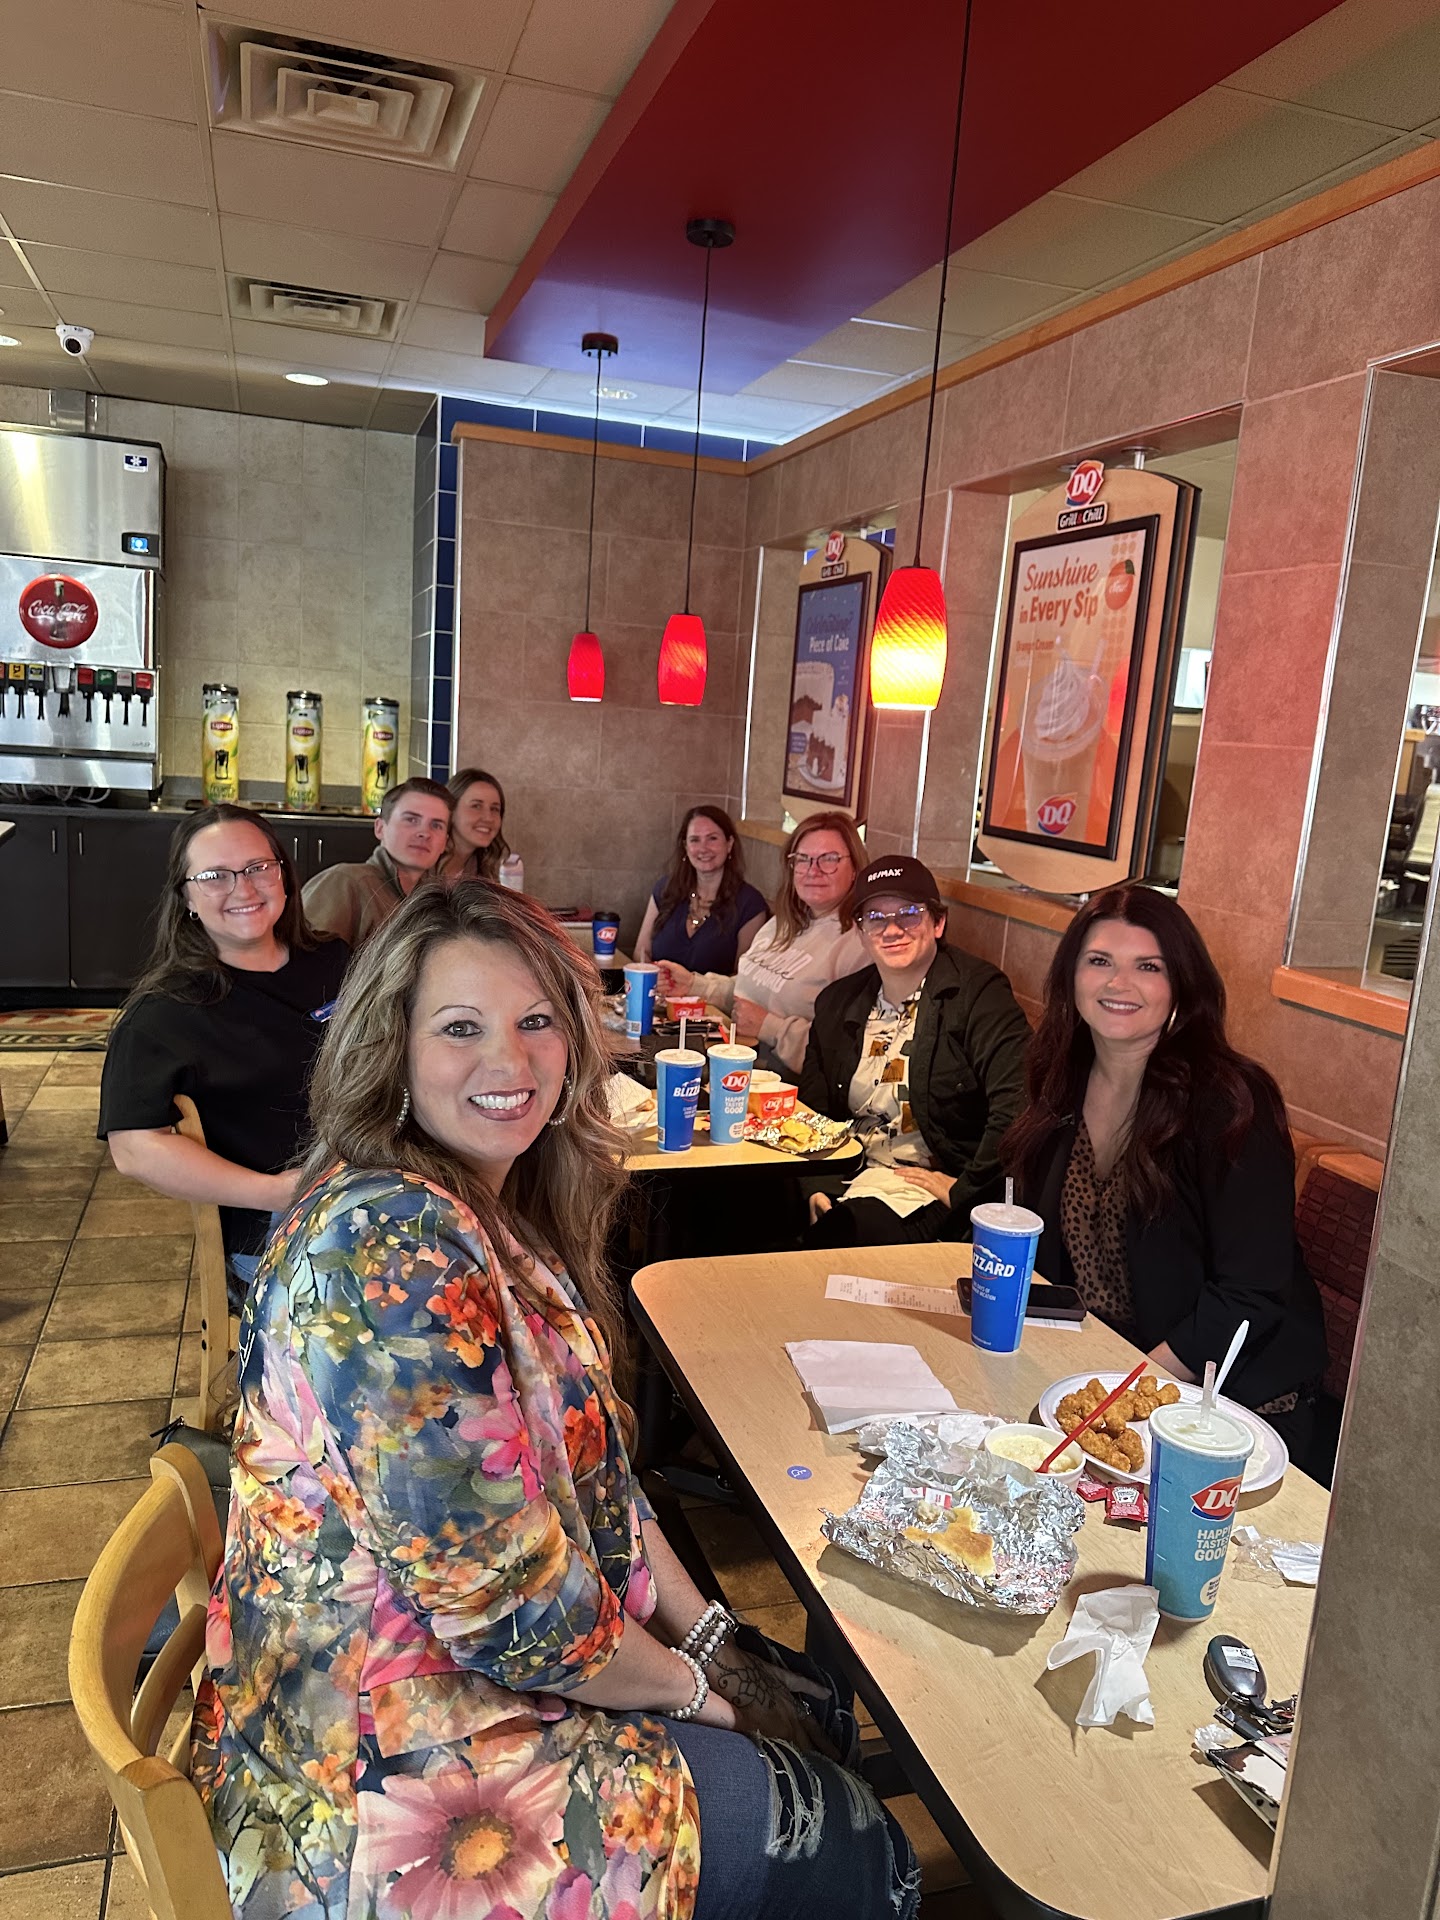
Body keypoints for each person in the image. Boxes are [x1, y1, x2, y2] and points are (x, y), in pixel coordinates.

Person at [193, 880, 919, 1920]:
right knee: (849, 1838)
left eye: (537, 1021)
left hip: (477, 1670)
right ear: (390, 1047)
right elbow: (509, 1611)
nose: (511, 1062)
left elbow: (603, 1480)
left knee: (818, 1715)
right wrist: (705, 1697)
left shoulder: (479, 1205)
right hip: (374, 1772)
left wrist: (716, 1639)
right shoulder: (386, 1251)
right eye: (461, 1028)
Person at [1004, 882, 1327, 1453]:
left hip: (1229, 1405)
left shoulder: (1230, 1101)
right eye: (1099, 961)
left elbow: (1251, 1292)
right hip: (1103, 1369)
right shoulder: (1061, 1075)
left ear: (1181, 983)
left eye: (1147, 967)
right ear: (1071, 975)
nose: (1118, 983)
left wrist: (1125, 1398)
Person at [98, 804, 348, 1292]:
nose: (244, 889)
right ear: (186, 897)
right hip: (277, 1227)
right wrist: (274, 1191)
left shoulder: (335, 960)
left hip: (370, 1183)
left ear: (284, 876)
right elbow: (134, 1148)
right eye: (215, 876)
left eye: (258, 867)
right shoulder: (165, 1013)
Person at [800, 855, 1030, 1246]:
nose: (891, 929)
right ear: (860, 931)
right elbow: (813, 1110)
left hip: (923, 1192)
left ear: (938, 923)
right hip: (849, 1175)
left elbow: (1018, 1104)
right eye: (875, 917)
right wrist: (815, 1186)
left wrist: (967, 1191)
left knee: (841, 1235)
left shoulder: (979, 995)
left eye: (908, 914)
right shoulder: (837, 1002)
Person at [656, 811, 867, 1074]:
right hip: (735, 1064)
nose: (813, 871)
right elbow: (750, 990)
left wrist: (770, 1028)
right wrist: (693, 985)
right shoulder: (783, 922)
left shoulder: (860, 944)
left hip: (786, 1085)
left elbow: (847, 1053)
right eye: (802, 859)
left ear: (855, 868)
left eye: (829, 859)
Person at [302, 776, 453, 946]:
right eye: (411, 820)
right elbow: (307, 956)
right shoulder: (346, 882)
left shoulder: (437, 899)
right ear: (380, 828)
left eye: (436, 825)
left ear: (445, 843)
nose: (424, 833)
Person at [635, 804, 767, 973]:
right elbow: (641, 952)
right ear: (685, 847)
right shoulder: (665, 888)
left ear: (729, 844)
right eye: (695, 840)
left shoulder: (750, 904)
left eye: (712, 838)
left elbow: (743, 977)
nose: (703, 848)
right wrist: (653, 977)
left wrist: (694, 984)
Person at [442, 765, 510, 882]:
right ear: (450, 811)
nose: (488, 818)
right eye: (476, 806)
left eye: (494, 809)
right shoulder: (422, 864)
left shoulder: (483, 870)